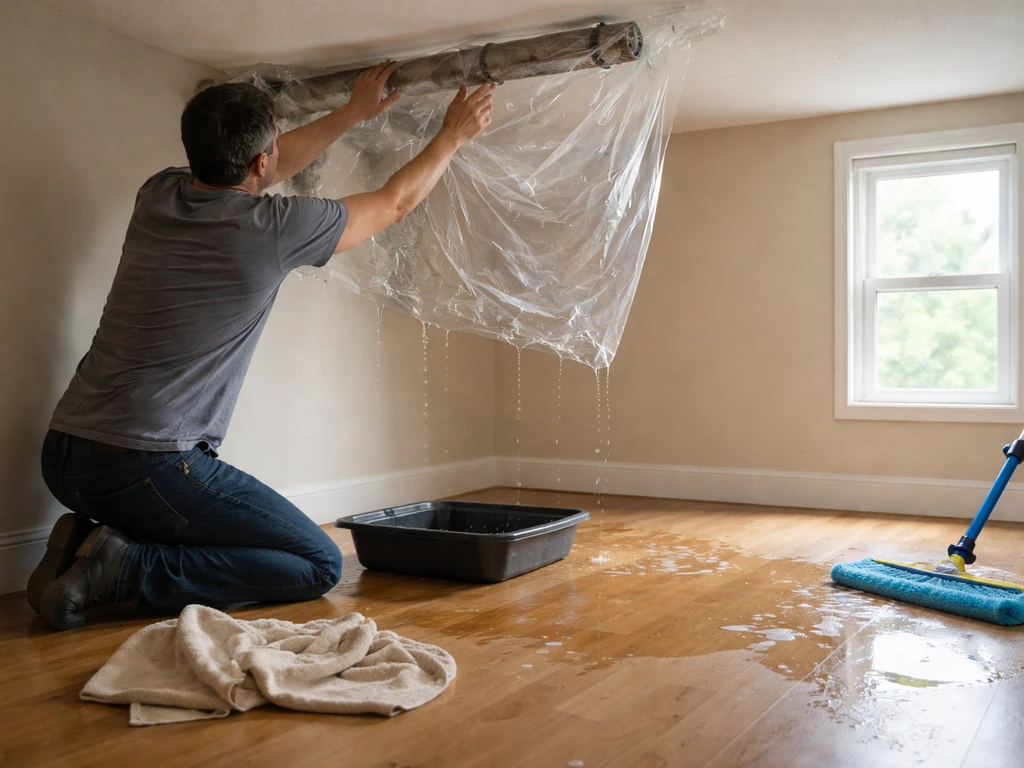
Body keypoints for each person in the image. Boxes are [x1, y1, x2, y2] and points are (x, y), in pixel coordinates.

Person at [30, 61, 495, 630]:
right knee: (316, 563)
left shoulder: (157, 195)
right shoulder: (272, 228)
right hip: (144, 466)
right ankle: (125, 571)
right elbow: (394, 202)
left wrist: (350, 113)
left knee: (264, 542)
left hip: (64, 456)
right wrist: (453, 135)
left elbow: (261, 168)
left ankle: (90, 538)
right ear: (259, 160)